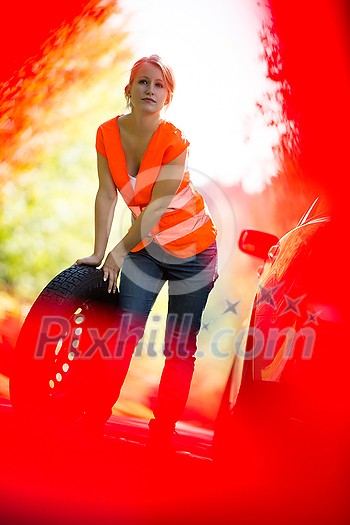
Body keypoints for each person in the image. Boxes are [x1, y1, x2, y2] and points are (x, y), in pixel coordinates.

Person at [76, 54, 218, 447]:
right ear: (129, 90)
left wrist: (119, 252)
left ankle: (163, 433)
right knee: (122, 334)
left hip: (194, 254)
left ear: (167, 96)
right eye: (143, 82)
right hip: (147, 247)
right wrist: (99, 251)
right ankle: (93, 419)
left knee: (178, 346)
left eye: (158, 85)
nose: (149, 90)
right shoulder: (107, 134)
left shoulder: (174, 141)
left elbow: (155, 208)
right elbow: (106, 195)